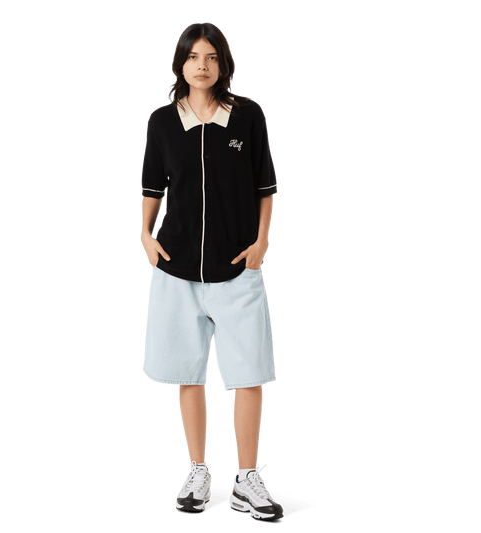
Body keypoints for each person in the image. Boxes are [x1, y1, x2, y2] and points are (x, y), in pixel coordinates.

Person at [139, 21, 282, 523]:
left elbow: (264, 185)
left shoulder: (248, 116)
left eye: (212, 57)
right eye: (194, 56)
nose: (203, 65)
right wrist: (145, 234)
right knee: (188, 373)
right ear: (180, 63)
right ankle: (198, 471)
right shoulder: (162, 121)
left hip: (238, 266)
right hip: (176, 268)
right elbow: (152, 186)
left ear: (224, 64)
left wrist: (262, 240)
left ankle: (246, 479)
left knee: (249, 374)